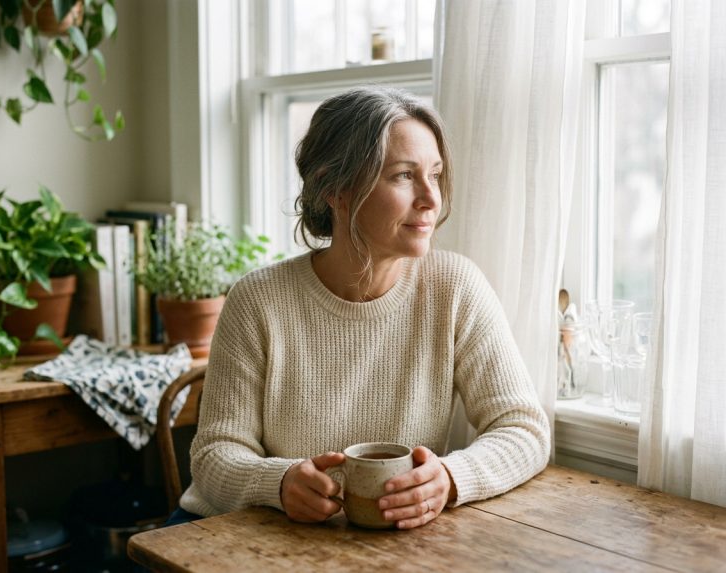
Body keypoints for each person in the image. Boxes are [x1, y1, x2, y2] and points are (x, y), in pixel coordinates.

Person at [177, 86, 550, 530]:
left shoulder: (456, 288)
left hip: (385, 546)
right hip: (241, 538)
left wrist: (450, 478)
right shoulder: (258, 301)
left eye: (435, 174)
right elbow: (214, 456)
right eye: (403, 176)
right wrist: (277, 483)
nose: (431, 198)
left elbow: (524, 429)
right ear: (336, 189)